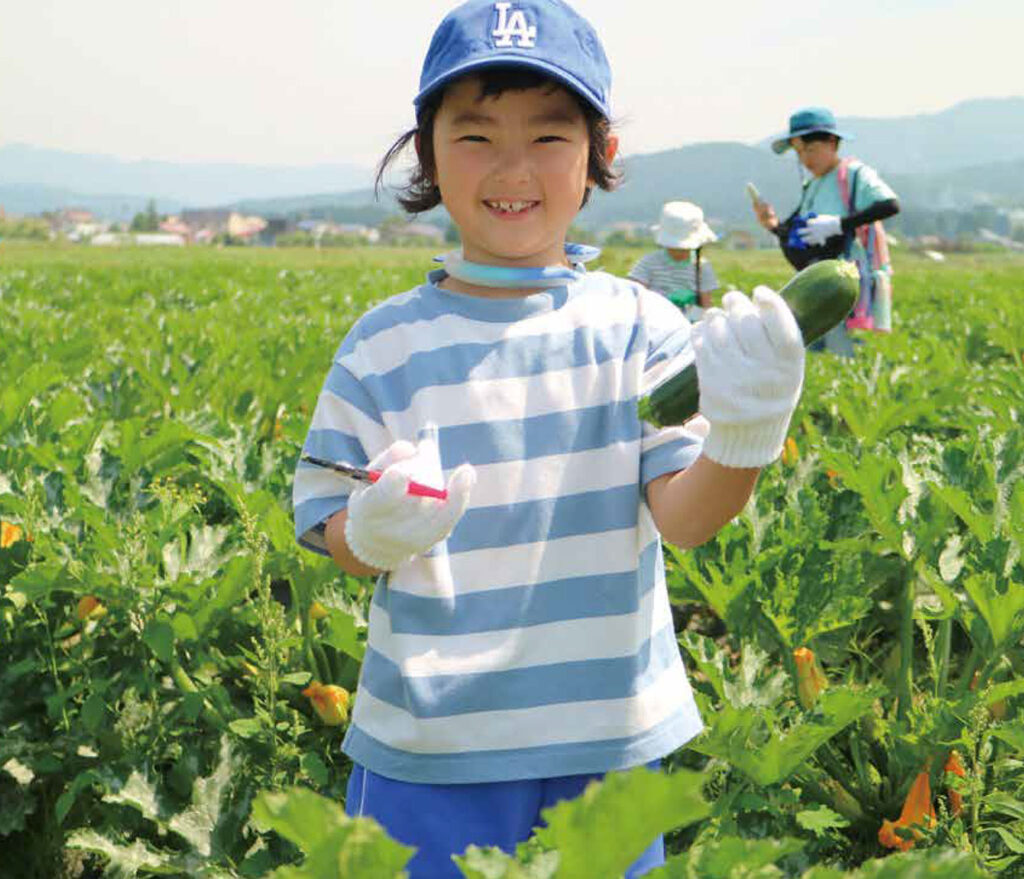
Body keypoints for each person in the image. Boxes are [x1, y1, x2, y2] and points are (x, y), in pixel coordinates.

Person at [292, 2, 805, 875]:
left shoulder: (641, 326)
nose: (512, 168)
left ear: (600, 155)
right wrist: (369, 532)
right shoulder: (382, 344)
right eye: (477, 135)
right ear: (427, 152)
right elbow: (327, 523)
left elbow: (685, 518)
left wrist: (743, 438)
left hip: (606, 740)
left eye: (550, 136)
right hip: (429, 743)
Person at [752, 106, 900, 356]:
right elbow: (795, 233)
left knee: (845, 354)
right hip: (818, 284)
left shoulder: (853, 174)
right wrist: (773, 225)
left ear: (832, 142)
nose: (805, 159)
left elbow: (890, 205)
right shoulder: (814, 184)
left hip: (848, 282)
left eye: (810, 149)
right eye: (799, 153)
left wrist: (838, 224)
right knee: (819, 351)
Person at [628, 201, 720, 322]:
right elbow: (635, 295)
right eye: (675, 248)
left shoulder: (702, 267)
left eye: (685, 249)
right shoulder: (649, 263)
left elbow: (706, 304)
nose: (680, 252)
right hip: (655, 322)